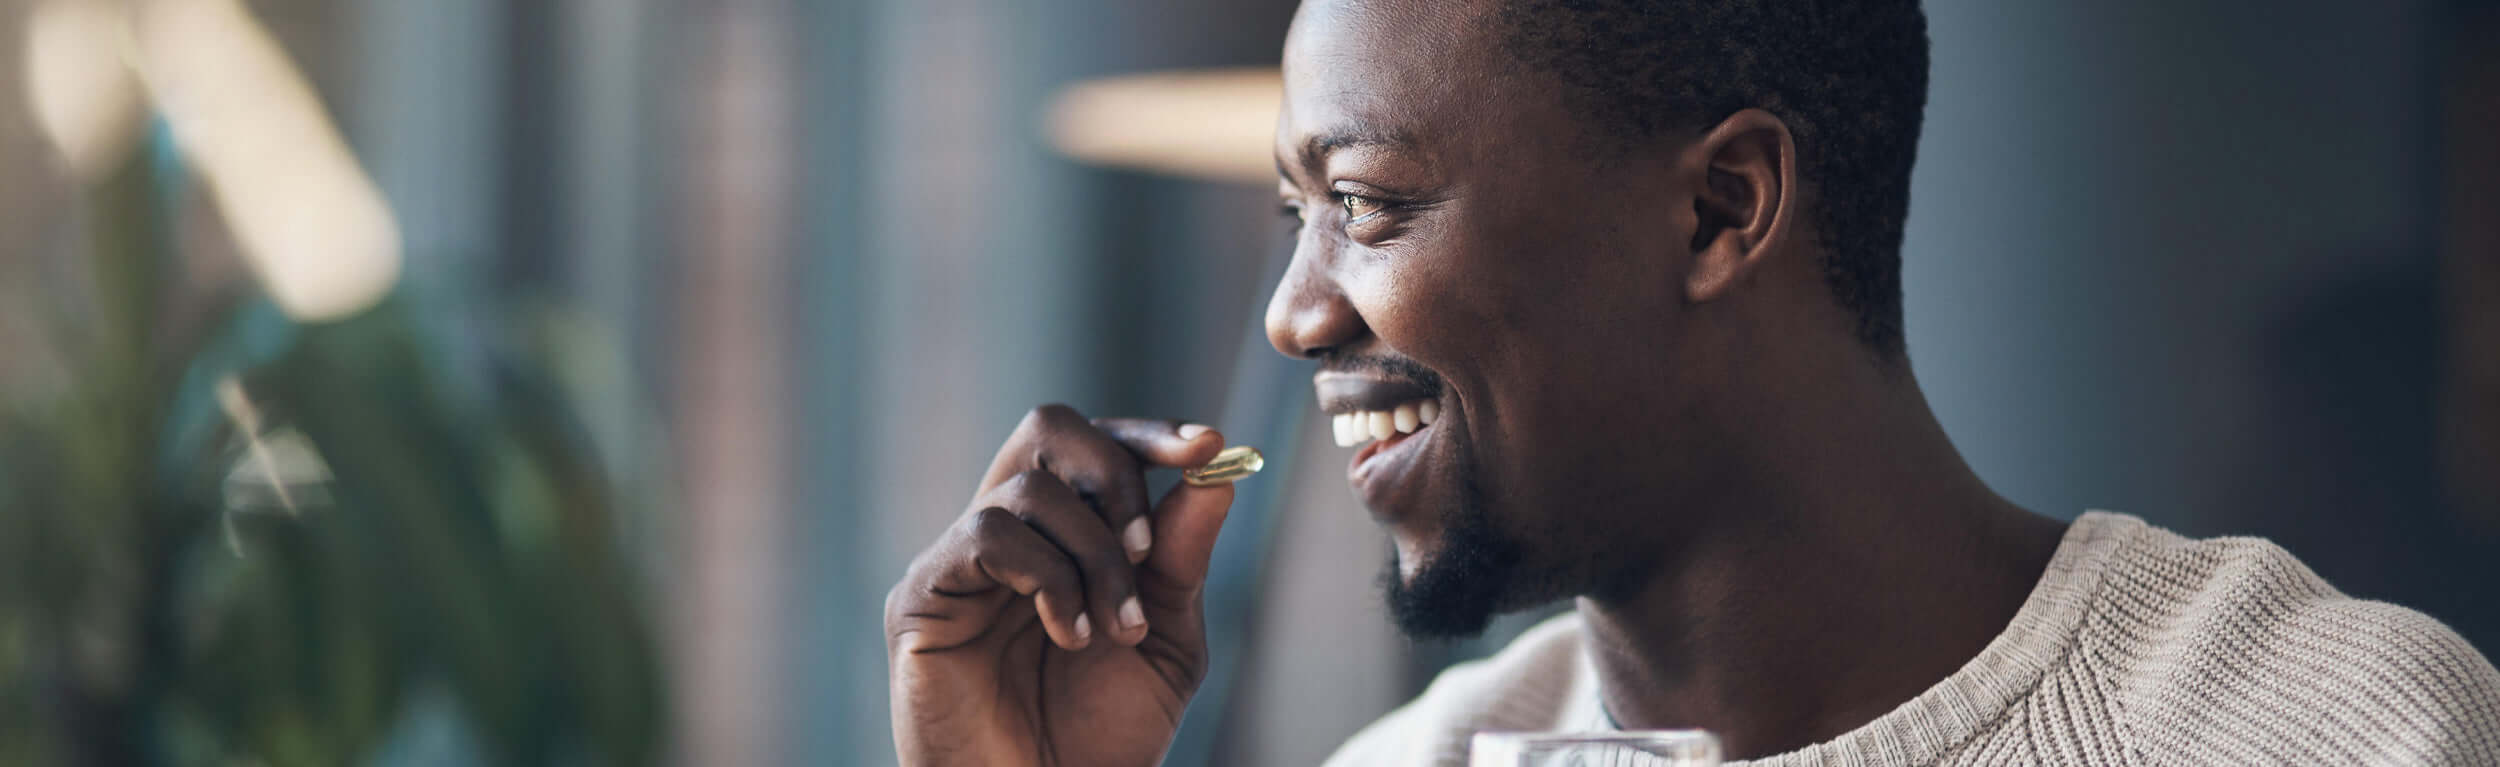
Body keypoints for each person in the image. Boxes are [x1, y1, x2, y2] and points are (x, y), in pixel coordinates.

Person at [883, 0, 2500, 763]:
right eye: (1292, 219)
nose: (1300, 317)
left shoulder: (2325, 736)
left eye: (1365, 205)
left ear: (1725, 208)